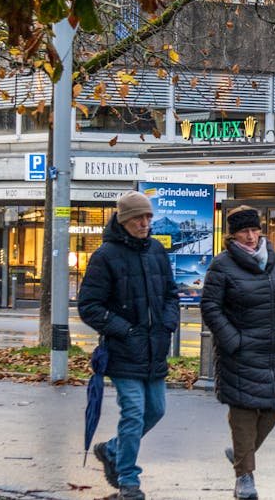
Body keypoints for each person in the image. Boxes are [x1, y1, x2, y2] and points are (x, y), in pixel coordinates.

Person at [78, 191, 180, 500]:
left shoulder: (157, 252)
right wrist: (126, 331)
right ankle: (128, 479)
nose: (145, 223)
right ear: (124, 220)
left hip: (154, 350)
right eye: (139, 217)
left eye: (148, 217)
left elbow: (170, 295)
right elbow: (89, 306)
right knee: (134, 413)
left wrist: (167, 324)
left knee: (156, 410)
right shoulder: (105, 256)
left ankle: (111, 450)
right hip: (124, 351)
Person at [201, 205, 275, 500]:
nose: (252, 236)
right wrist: (233, 340)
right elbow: (211, 307)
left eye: (255, 230)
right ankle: (245, 477)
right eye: (245, 231)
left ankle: (243, 453)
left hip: (272, 347)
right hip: (240, 351)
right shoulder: (222, 265)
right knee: (243, 411)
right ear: (233, 234)